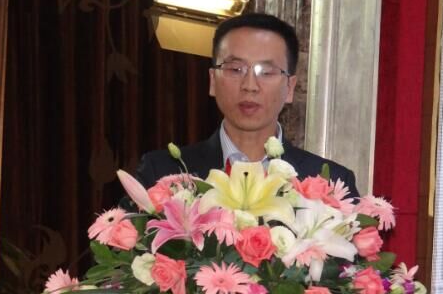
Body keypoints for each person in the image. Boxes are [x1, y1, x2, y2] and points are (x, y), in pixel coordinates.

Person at [134, 13, 358, 195]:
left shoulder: (329, 184)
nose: (250, 86)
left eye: (266, 72)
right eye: (235, 69)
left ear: (290, 88)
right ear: (213, 81)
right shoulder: (161, 174)